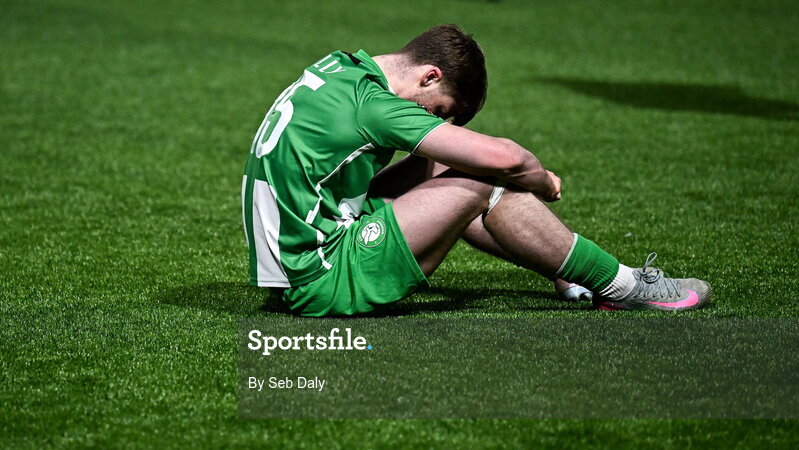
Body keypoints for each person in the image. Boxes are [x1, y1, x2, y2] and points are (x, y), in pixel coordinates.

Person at [241, 24, 710, 317]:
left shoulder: (342, 68)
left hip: (299, 256)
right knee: (482, 177)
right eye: (441, 110)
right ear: (429, 76)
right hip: (319, 281)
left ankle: (570, 274)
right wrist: (543, 182)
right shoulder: (377, 106)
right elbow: (511, 159)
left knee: (442, 160)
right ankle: (623, 285)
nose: (437, 122)